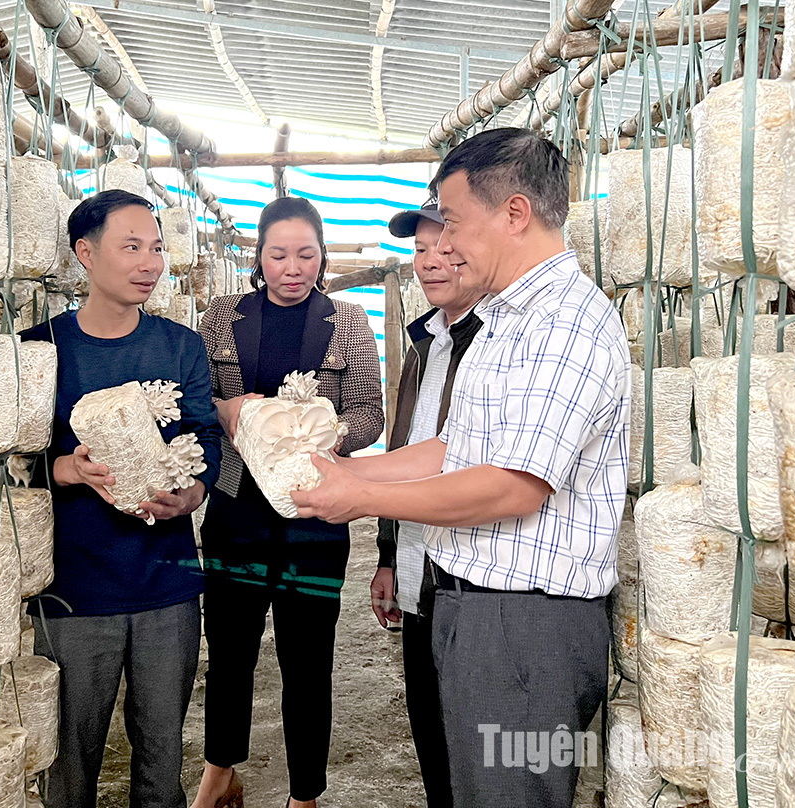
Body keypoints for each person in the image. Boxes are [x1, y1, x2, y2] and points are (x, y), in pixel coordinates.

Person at [291, 128, 631, 808]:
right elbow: (456, 448)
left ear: (514, 214)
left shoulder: (563, 323)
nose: (442, 245)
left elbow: (513, 483)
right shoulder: (506, 321)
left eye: (452, 223)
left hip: (526, 629)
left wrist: (358, 495)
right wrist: (344, 472)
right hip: (480, 611)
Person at [19, 189, 223, 808]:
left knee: (162, 754)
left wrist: (191, 494)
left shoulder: (179, 346)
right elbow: (12, 465)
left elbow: (206, 439)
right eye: (131, 247)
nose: (150, 262)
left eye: (156, 247)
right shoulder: (39, 350)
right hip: (76, 590)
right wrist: (67, 470)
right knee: (71, 761)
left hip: (168, 585)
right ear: (85, 253)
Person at [190, 197, 384, 808]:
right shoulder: (219, 318)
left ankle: (305, 795)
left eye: (305, 254)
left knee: (307, 664)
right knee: (229, 652)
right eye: (278, 254)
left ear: (322, 256)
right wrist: (231, 414)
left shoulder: (347, 321)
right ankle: (221, 770)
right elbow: (202, 403)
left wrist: (311, 430)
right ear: (259, 256)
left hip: (315, 516)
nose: (292, 267)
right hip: (234, 509)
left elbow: (370, 413)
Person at [371, 202, 484, 808]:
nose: (431, 263)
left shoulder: (495, 340)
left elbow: (462, 461)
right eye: (420, 251)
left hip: (470, 576)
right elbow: (406, 445)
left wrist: (353, 489)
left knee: (479, 750)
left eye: (446, 248)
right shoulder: (425, 342)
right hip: (420, 570)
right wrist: (389, 555)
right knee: (432, 736)